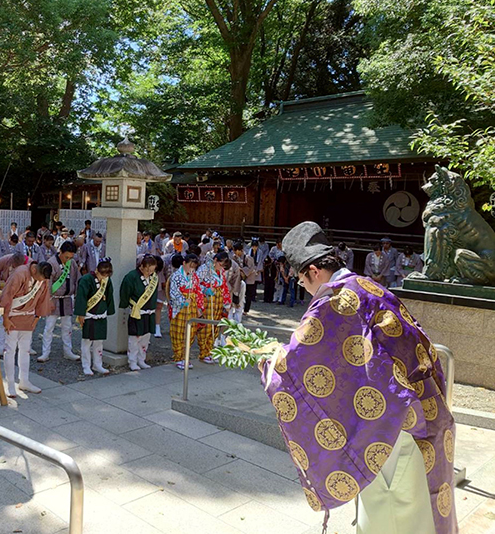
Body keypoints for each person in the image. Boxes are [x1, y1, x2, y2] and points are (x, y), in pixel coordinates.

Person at [261, 221, 457, 533]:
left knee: (393, 512)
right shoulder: (369, 287)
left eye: (301, 281)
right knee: (421, 508)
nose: (305, 289)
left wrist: (271, 362)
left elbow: (297, 361)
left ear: (313, 271)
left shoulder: (336, 301)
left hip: (397, 424)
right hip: (424, 408)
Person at [0, 261, 52, 397]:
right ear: (34, 270)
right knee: (10, 350)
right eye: (40, 278)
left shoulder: (43, 280)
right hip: (12, 316)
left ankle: (24, 381)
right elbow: (8, 294)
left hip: (28, 317)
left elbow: (42, 300)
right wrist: (5, 318)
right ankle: (10, 384)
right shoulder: (20, 273)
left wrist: (36, 319)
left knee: (25, 350)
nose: (41, 281)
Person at [39, 241, 80, 363]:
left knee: (67, 326)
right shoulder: (51, 263)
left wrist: (77, 295)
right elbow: (47, 283)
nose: (68, 259)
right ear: (60, 252)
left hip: (67, 298)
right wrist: (48, 299)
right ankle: (45, 352)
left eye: (71, 257)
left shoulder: (72, 263)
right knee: (49, 326)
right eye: (66, 257)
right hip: (54, 298)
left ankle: (68, 351)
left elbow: (77, 279)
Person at [74, 258, 114, 375]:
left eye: (106, 275)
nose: (103, 277)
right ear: (97, 270)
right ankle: (86, 365)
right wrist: (81, 314)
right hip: (89, 314)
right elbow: (81, 297)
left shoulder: (107, 280)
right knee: (87, 341)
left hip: (101, 314)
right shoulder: (86, 280)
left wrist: (108, 310)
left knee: (99, 341)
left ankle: (98, 364)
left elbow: (109, 295)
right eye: (102, 274)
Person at [119, 255, 159, 371]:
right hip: (137, 311)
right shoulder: (131, 277)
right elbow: (125, 293)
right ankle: (132, 360)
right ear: (141, 266)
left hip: (149, 311)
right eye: (147, 270)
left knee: (146, 337)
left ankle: (142, 359)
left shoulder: (153, 278)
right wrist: (126, 306)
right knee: (135, 337)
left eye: (152, 270)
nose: (149, 272)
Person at [195, 252, 232, 363]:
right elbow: (195, 282)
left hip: (217, 301)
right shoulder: (205, 268)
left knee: (215, 327)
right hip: (208, 301)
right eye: (221, 264)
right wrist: (204, 289)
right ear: (215, 260)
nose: (221, 267)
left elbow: (224, 286)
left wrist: (226, 303)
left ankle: (210, 350)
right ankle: (203, 352)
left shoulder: (220, 271)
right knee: (206, 327)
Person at [168, 254, 204, 370]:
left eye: (194, 267)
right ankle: (179, 357)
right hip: (180, 307)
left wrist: (199, 307)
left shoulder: (193, 276)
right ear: (184, 263)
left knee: (191, 331)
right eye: (190, 266)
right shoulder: (176, 276)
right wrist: (182, 301)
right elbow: (173, 292)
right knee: (179, 332)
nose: (191, 269)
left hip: (191, 305)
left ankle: (185, 356)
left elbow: (198, 291)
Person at [232, 240, 256, 314]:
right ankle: (237, 306)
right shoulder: (234, 257)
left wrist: (241, 270)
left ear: (240, 250)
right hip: (239, 278)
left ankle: (246, 310)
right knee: (239, 293)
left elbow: (251, 268)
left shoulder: (247, 257)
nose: (235, 253)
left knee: (248, 294)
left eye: (236, 251)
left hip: (249, 278)